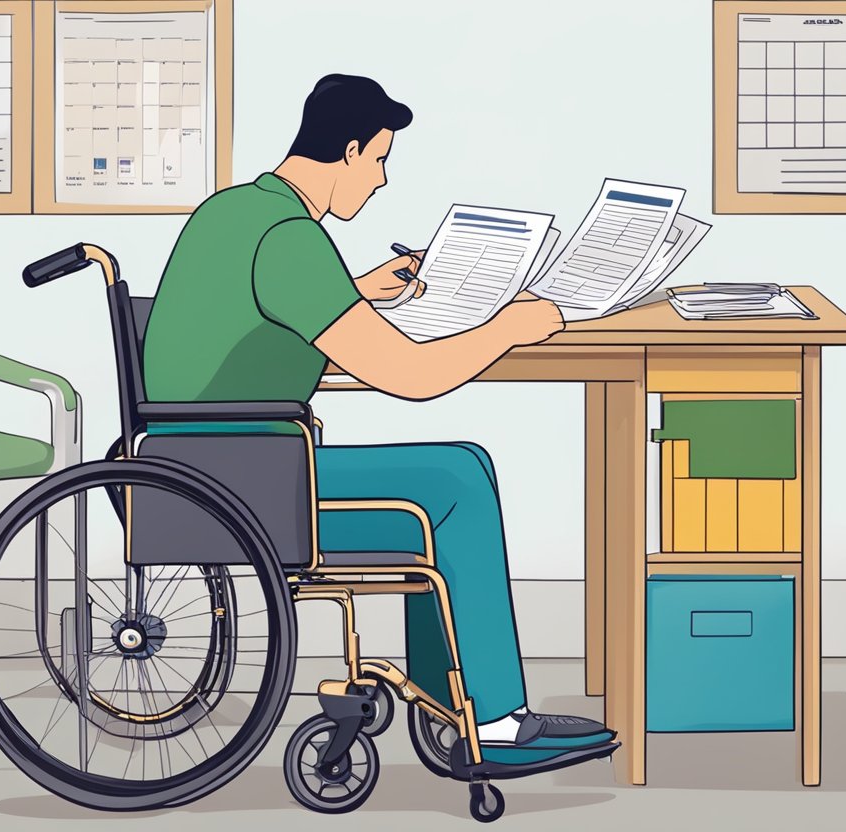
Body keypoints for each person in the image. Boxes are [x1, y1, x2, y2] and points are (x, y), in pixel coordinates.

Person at [144, 73, 614, 754]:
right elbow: (411, 376)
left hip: (211, 460)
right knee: (457, 480)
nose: (383, 179)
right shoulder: (289, 238)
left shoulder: (240, 210)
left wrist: (355, 292)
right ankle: (493, 720)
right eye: (381, 159)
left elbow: (248, 325)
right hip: (251, 484)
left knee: (457, 469)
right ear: (350, 149)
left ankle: (457, 697)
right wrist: (508, 326)